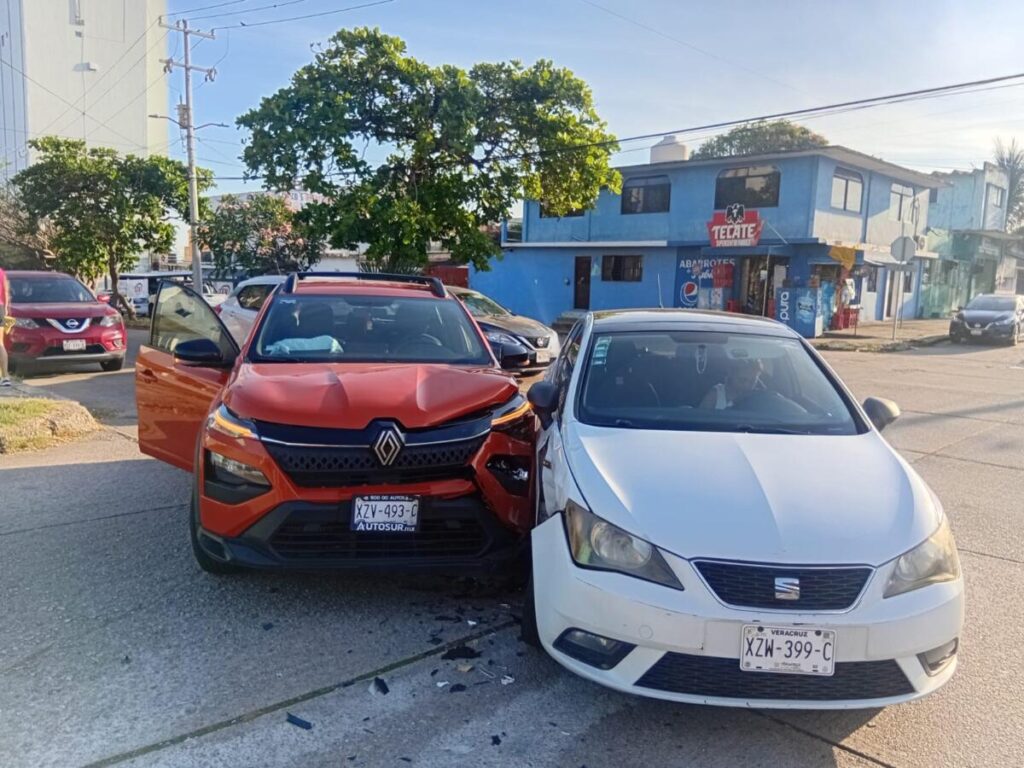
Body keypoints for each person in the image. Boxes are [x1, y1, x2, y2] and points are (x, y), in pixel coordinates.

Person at [0, 266, 10, 386]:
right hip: (0, 307)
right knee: (0, 343)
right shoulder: (1, 272)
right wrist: (6, 308)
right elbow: (6, 291)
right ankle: (5, 376)